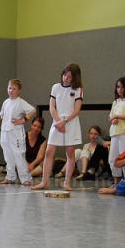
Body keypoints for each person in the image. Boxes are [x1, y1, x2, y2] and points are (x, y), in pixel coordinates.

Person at [32, 63, 83, 191]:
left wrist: (64, 121)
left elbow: (76, 110)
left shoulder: (78, 90)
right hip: (57, 122)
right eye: (65, 74)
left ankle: (67, 182)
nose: (66, 78)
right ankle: (45, 182)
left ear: (75, 78)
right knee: (49, 152)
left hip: (70, 122)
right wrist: (58, 122)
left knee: (70, 153)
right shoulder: (55, 87)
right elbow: (52, 106)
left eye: (70, 77)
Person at [0, 79, 36, 186]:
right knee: (8, 155)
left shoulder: (20, 102)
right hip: (5, 132)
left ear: (19, 90)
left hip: (16, 133)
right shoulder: (6, 102)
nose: (11, 90)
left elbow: (32, 110)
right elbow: (2, 115)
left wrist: (23, 120)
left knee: (19, 155)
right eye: (10, 88)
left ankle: (25, 178)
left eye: (14, 89)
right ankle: (10, 176)